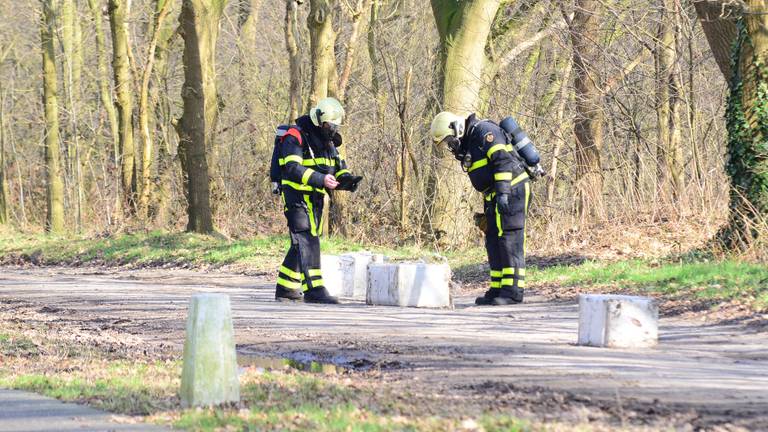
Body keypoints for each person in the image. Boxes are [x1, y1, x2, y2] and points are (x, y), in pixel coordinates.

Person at [430, 112, 544, 305]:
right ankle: (498, 288)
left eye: (449, 140)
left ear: (456, 128)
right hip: (494, 194)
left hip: (513, 189)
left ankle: (513, 292)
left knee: (510, 237)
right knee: (493, 240)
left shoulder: (485, 132)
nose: (451, 146)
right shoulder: (470, 142)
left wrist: (503, 193)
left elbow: (503, 161)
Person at [274, 97, 362, 304]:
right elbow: (293, 168)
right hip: (295, 195)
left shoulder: (327, 140)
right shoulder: (295, 135)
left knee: (300, 243)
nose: (333, 129)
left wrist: (347, 180)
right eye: (330, 125)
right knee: (307, 239)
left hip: (314, 196)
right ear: (320, 121)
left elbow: (338, 166)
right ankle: (314, 290)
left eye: (335, 125)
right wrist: (320, 179)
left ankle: (285, 288)